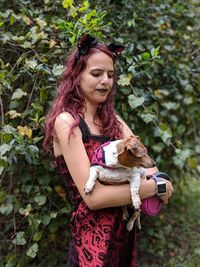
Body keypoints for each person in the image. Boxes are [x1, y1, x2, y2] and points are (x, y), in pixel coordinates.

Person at [43, 34, 173, 267]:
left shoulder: (114, 121)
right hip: (92, 243)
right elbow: (94, 197)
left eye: (110, 75)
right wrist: (156, 187)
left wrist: (153, 181)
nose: (105, 81)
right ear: (76, 76)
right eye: (96, 74)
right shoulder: (67, 122)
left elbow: (150, 167)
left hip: (124, 236)